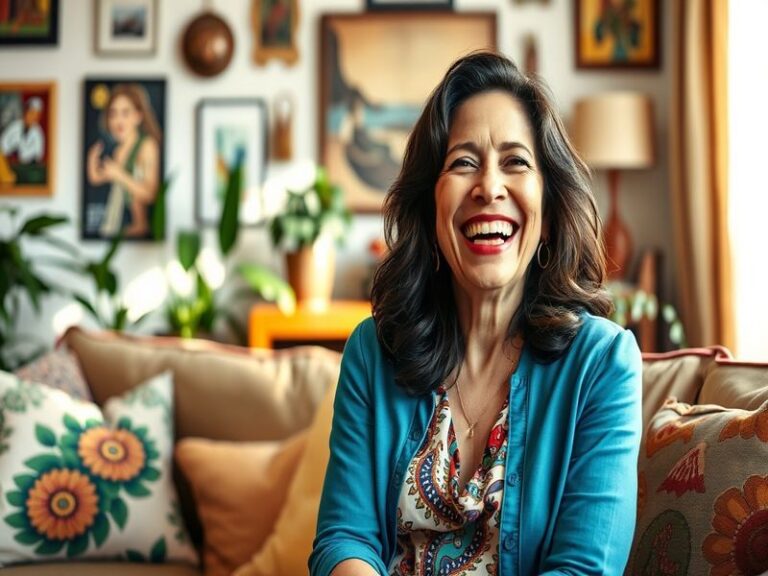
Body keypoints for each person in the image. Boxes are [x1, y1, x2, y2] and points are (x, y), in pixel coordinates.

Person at [310, 52, 642, 576]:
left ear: (550, 213)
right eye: (463, 162)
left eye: (516, 161)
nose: (489, 187)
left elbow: (584, 569)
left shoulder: (602, 365)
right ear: (431, 209)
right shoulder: (372, 352)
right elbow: (343, 537)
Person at [87, 83, 161, 238]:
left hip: (138, 230)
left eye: (125, 113)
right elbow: (99, 178)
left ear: (138, 116)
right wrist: (91, 162)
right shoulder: (118, 150)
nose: (118, 121)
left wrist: (119, 175)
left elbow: (150, 193)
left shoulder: (147, 146)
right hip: (116, 222)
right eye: (113, 114)